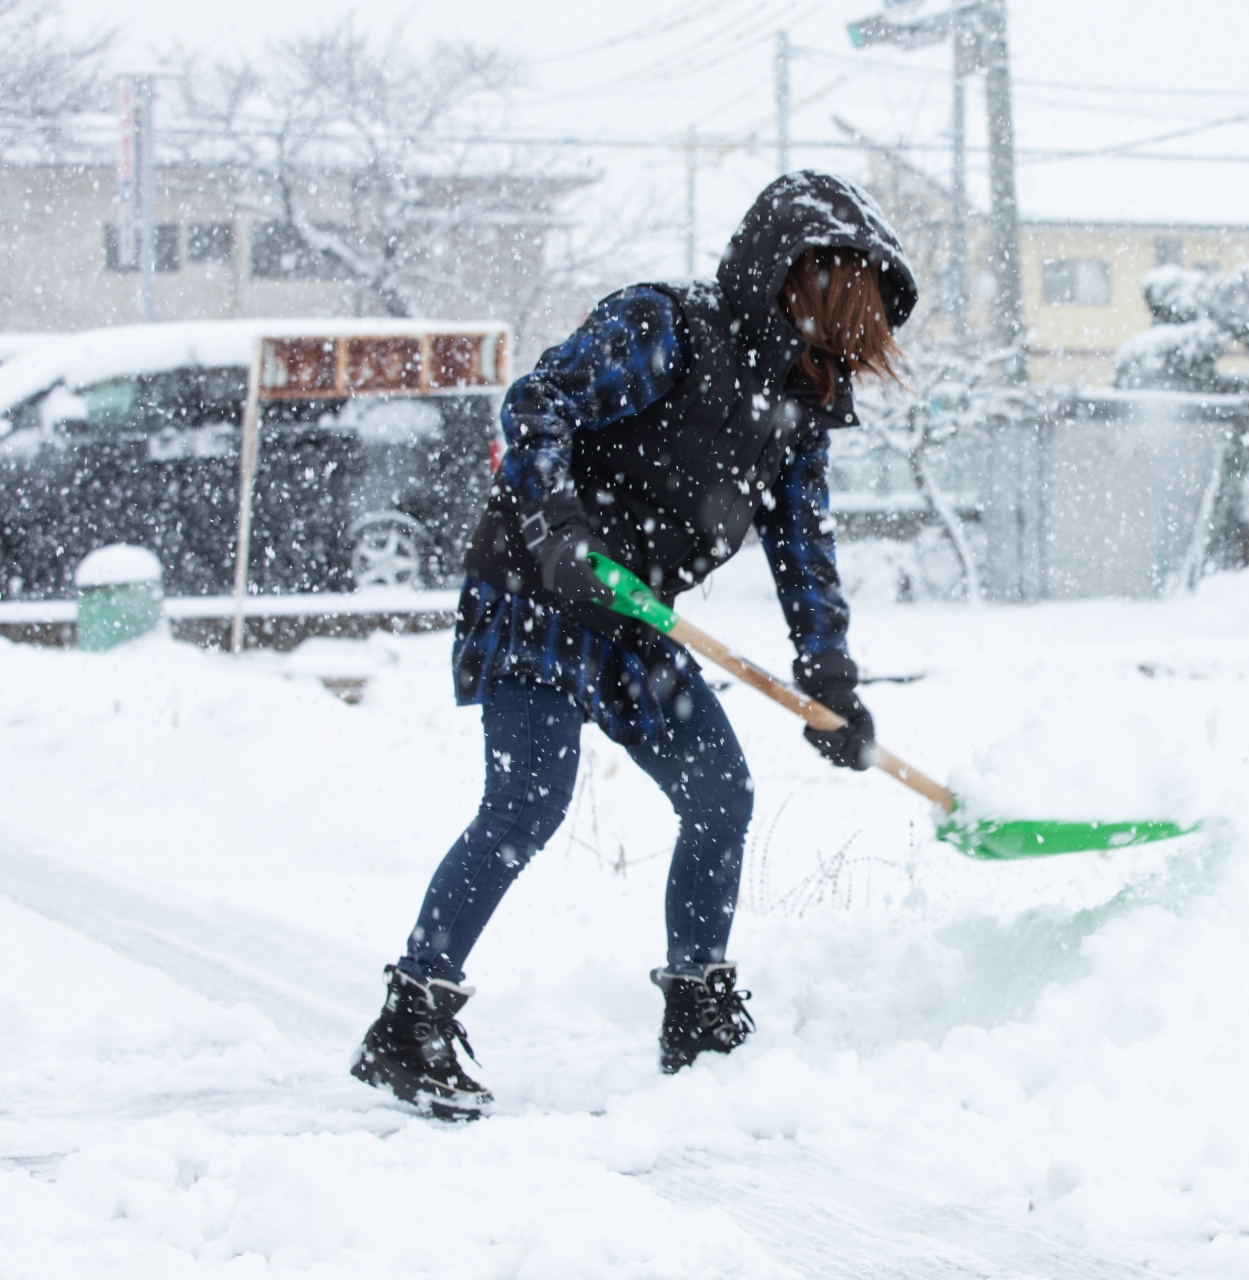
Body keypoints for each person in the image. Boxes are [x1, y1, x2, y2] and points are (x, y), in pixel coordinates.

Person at [350, 172, 917, 1118]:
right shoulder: (669, 330)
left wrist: (830, 675)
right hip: (538, 589)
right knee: (525, 805)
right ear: (783, 276)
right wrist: (557, 527)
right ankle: (409, 1018)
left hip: (630, 618)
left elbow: (804, 548)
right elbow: (538, 405)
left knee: (720, 792)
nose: (840, 337)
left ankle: (696, 1009)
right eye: (832, 307)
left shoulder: (795, 409)